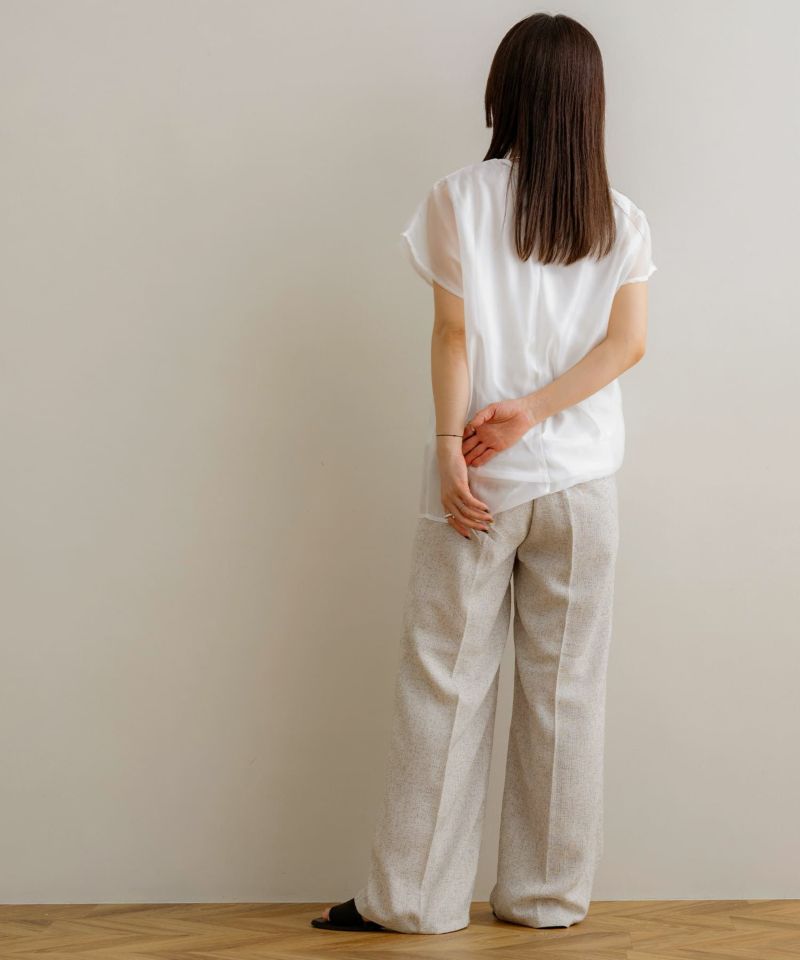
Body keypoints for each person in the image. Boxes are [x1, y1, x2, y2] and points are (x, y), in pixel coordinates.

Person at [311, 11, 657, 936]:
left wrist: (446, 446)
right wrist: (539, 412)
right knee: (566, 694)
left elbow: (454, 334)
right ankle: (546, 898)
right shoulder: (621, 219)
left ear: (502, 93)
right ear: (590, 104)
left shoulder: (457, 199)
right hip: (582, 486)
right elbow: (628, 345)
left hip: (477, 477)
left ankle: (415, 900)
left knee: (445, 683)